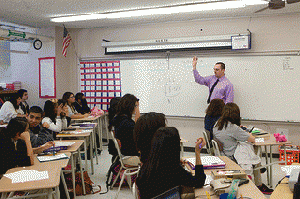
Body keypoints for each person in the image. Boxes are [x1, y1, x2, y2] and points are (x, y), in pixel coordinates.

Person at [213, 103, 273, 194]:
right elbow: (253, 139)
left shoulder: (218, 124)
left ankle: (257, 168)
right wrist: (250, 134)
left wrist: (239, 130)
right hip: (232, 156)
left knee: (249, 148)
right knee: (253, 148)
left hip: (223, 154)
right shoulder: (233, 128)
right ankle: (258, 183)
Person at [136, 127, 206, 199]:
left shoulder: (147, 166)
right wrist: (197, 151)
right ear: (174, 147)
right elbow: (199, 181)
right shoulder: (173, 169)